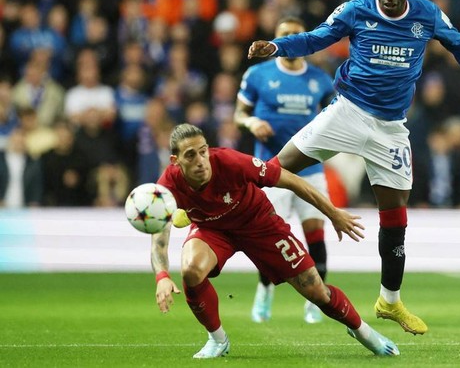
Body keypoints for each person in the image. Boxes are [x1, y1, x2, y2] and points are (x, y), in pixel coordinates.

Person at [247, 0, 460, 335]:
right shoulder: (357, 9)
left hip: (391, 129)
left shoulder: (427, 15)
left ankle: (390, 301)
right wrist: (278, 47)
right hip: (348, 112)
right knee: (279, 167)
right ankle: (216, 193)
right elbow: (318, 37)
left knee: (396, 216)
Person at [152, 123, 399, 359]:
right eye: (191, 155)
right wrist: (162, 277)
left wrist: (332, 213)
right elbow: (159, 235)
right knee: (191, 271)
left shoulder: (231, 161)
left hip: (258, 224)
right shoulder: (167, 185)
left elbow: (292, 180)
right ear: (175, 161)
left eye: (203, 151)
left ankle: (362, 331)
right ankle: (217, 340)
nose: (200, 161)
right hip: (212, 230)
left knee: (317, 292)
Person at [234, 16, 335, 324]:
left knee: (315, 235)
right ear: (277, 39)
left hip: (310, 169)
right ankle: (264, 291)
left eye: (295, 34)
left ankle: (317, 302)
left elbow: (334, 117)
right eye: (284, 34)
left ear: (303, 39)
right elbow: (240, 113)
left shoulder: (320, 80)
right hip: (270, 170)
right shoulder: (257, 74)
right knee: (271, 239)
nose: (290, 38)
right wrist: (252, 123)